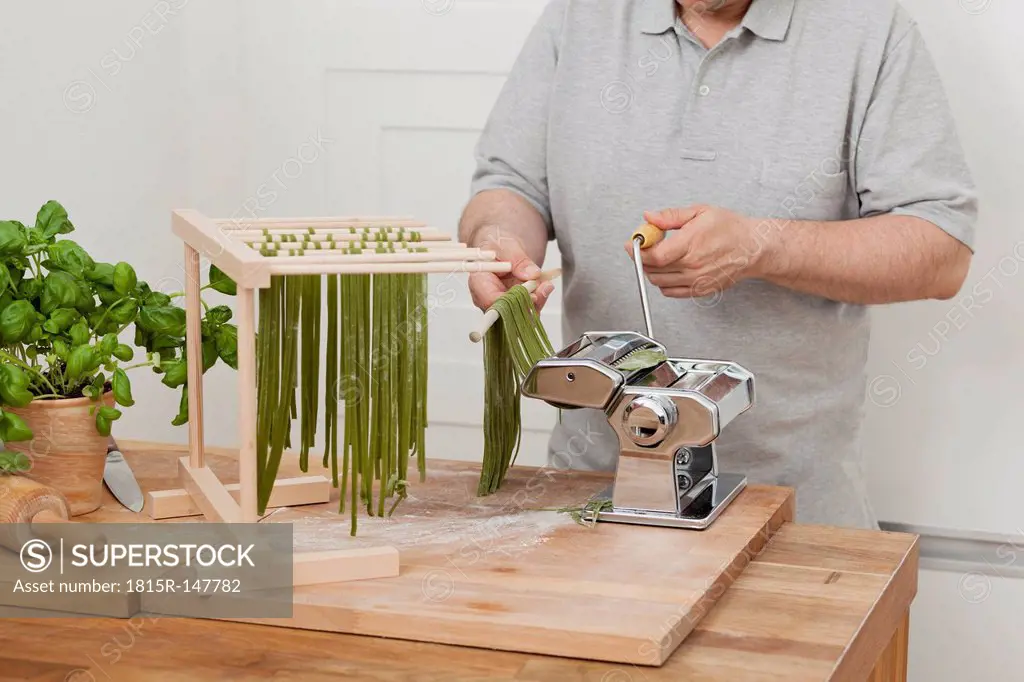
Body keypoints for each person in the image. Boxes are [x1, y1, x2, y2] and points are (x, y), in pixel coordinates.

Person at [458, 0, 977, 528]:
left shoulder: (870, 29)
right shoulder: (579, 15)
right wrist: (495, 242)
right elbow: (508, 184)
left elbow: (941, 252)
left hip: (793, 508)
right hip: (593, 493)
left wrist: (762, 247)